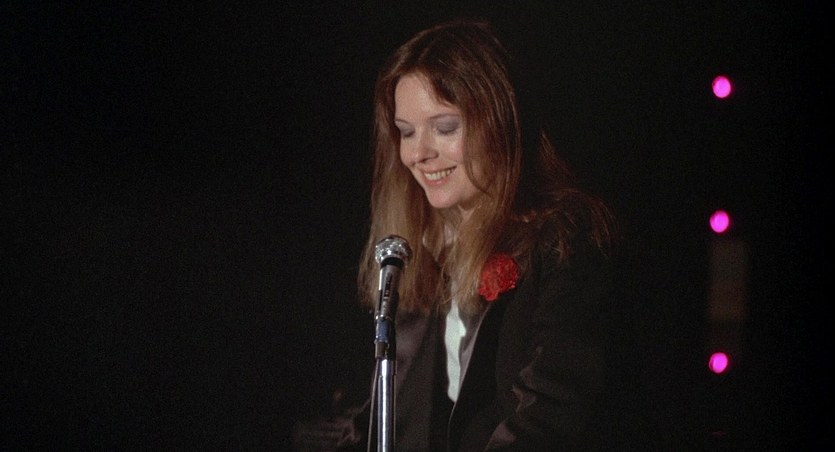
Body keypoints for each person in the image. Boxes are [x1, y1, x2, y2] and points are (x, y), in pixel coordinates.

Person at [296, 17, 624, 451]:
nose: (417, 153)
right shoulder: (418, 243)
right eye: (406, 132)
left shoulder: (566, 237)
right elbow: (404, 409)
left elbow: (547, 411)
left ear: (499, 122)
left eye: (445, 128)